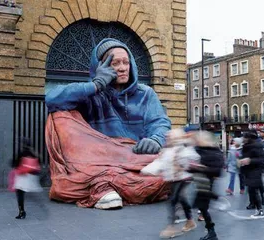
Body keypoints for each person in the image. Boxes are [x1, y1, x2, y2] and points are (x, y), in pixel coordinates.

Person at [45, 38, 171, 209]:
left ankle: (104, 185)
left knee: (170, 166)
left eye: (126, 62)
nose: (122, 67)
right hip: (100, 159)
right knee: (58, 116)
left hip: (135, 157)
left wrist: (156, 139)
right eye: (115, 62)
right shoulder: (91, 95)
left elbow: (160, 123)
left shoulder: (146, 93)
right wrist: (96, 85)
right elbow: (52, 100)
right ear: (100, 67)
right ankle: (113, 184)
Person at [143, 129, 199, 238]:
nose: (167, 138)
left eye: (170, 137)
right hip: (173, 179)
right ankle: (190, 221)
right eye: (167, 137)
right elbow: (160, 163)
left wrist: (184, 162)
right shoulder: (168, 150)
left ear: (176, 138)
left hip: (183, 178)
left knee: (172, 200)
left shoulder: (184, 149)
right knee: (182, 199)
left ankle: (171, 227)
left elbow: (194, 158)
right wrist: (147, 170)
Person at [190, 131, 223, 240]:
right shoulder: (198, 150)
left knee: (203, 208)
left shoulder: (216, 153)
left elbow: (217, 171)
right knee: (202, 209)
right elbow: (191, 166)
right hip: (199, 184)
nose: (198, 140)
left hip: (207, 185)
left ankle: (212, 233)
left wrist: (200, 168)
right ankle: (211, 233)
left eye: (200, 139)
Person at [10, 139, 42, 219]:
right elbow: (38, 163)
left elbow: (15, 164)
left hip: (22, 176)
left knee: (20, 194)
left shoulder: (21, 154)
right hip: (31, 177)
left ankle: (21, 212)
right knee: (23, 192)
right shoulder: (33, 154)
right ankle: (22, 212)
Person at [239, 130, 264, 219]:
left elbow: (262, 159)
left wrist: (250, 160)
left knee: (254, 191)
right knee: (252, 191)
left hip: (255, 171)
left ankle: (260, 210)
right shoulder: (246, 146)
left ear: (248, 138)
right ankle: (258, 208)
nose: (243, 139)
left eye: (244, 137)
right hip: (248, 171)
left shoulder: (257, 146)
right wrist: (242, 161)